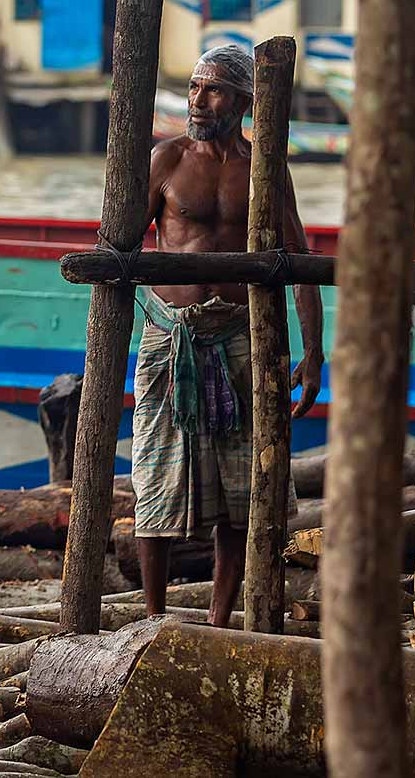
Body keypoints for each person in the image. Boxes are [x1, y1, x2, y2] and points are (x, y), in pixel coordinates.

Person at [134, 44, 324, 626]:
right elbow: (116, 247)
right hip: (171, 338)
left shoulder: (264, 168)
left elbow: (298, 258)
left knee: (242, 492)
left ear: (243, 101)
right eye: (194, 87)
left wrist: (314, 353)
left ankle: (220, 618)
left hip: (243, 339)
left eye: (213, 89)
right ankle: (154, 616)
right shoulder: (164, 161)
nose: (198, 99)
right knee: (155, 480)